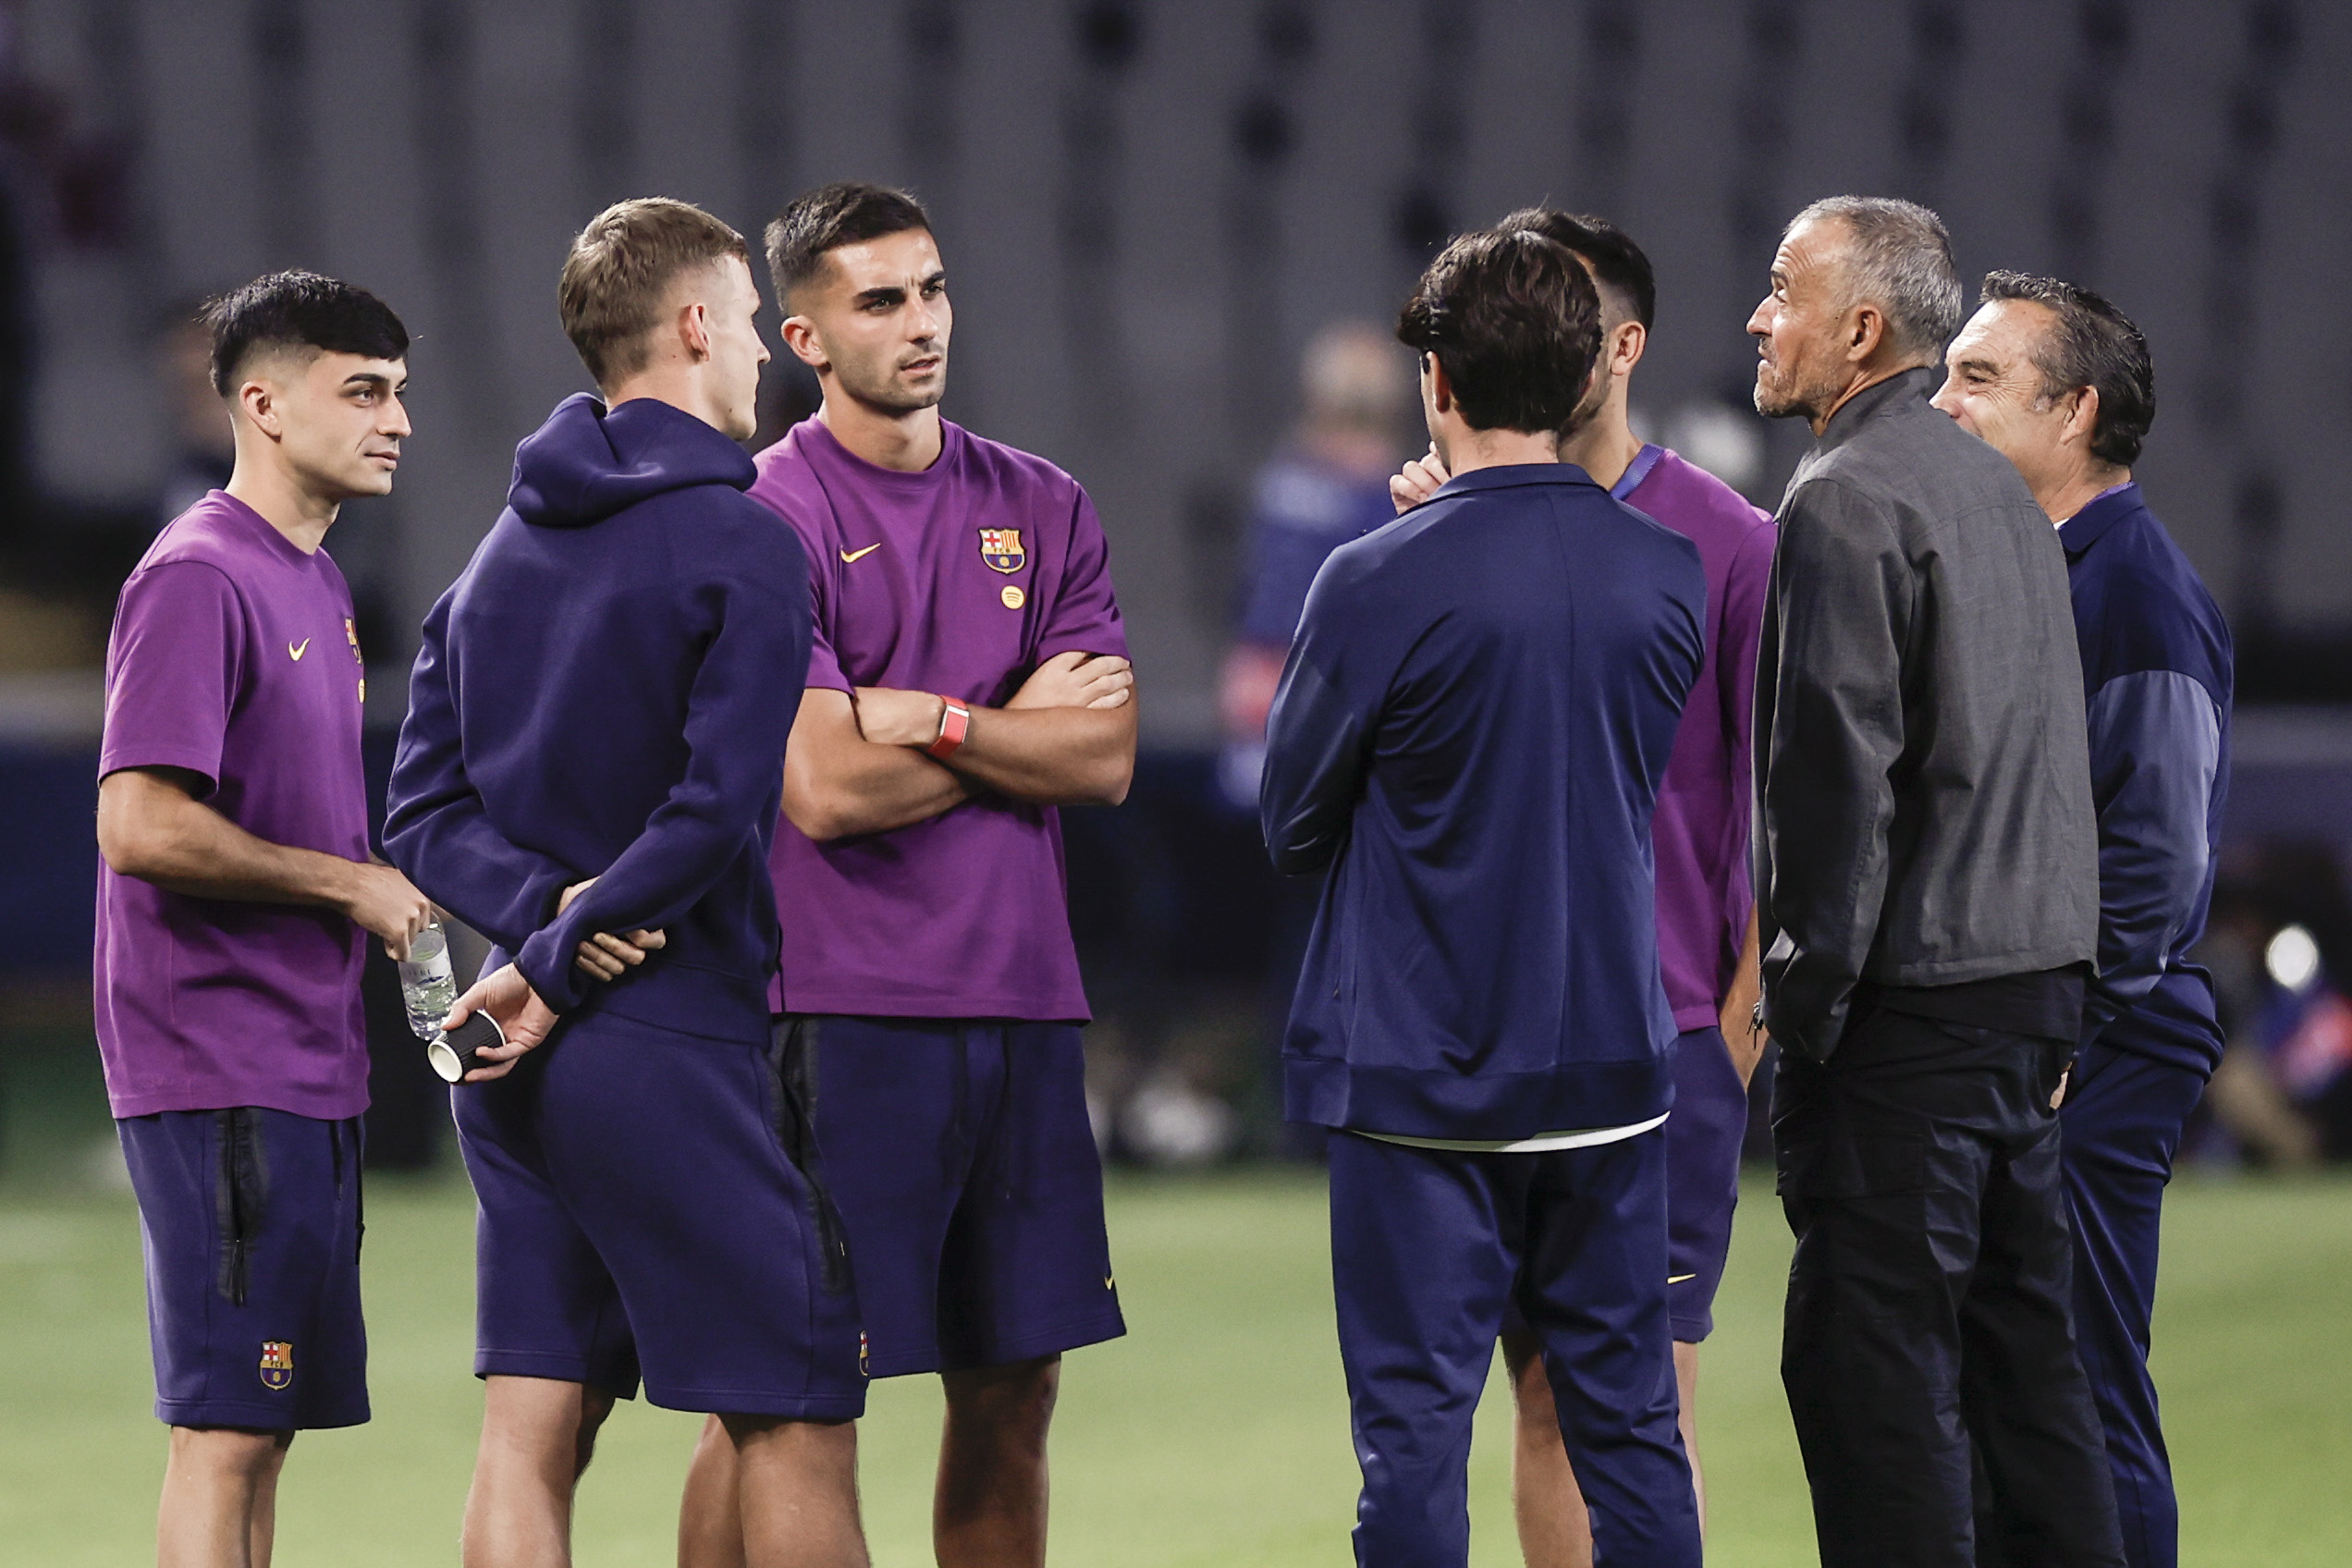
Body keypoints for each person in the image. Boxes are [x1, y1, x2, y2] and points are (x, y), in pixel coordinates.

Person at [383, 199, 868, 1568]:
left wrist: (538, 914)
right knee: (798, 1402)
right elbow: (714, 810)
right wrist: (566, 948)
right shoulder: (747, 540)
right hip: (662, 1030)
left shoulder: (492, 563)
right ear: (698, 324)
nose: (768, 359)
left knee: (534, 1425)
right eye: (751, 326)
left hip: (514, 1067)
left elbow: (418, 808)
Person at [686, 181, 1135, 1568]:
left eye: (932, 288)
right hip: (842, 1007)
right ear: (807, 339)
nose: (923, 323)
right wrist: (1016, 722)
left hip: (1021, 1005)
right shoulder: (767, 514)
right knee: (789, 1398)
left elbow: (1107, 758)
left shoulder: (1042, 501)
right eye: (881, 301)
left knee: (1015, 1385)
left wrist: (929, 714)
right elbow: (824, 788)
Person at [1266, 225, 1706, 1568]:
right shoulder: (1666, 570)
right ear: (1587, 376)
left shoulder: (1375, 578)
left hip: (1419, 1079)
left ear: (1436, 382)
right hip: (1613, 1076)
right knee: (1629, 1429)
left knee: (1413, 1439)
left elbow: (1292, 817)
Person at [1391, 208, 1774, 1564]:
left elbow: (1786, 808)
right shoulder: (1438, 533)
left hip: (1661, 1037)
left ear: (1617, 344)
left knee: (1632, 1408)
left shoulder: (1729, 544)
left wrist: (1732, 1035)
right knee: (1534, 1404)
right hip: (1482, 1039)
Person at [1745, 195, 2123, 1568]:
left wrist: (1801, 999)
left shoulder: (1849, 497)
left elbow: (1835, 782)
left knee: (1874, 1390)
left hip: (1911, 1015)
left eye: (1783, 289)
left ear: (1856, 329)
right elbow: (2042, 759)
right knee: (2029, 1394)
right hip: (2026, 1002)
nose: (1758, 315)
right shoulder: (1998, 493)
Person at [92, 271, 434, 1568]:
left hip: (303, 1055)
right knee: (225, 1432)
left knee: (264, 1422)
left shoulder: (318, 582)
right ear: (262, 403)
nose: (394, 418)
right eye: (360, 391)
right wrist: (350, 886)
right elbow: (139, 825)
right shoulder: (198, 575)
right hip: (217, 1055)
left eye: (399, 391)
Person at [1931, 274, 2231, 1568]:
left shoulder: (2134, 595)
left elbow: (2154, 863)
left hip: (2090, 1047)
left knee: (2076, 1386)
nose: (1941, 402)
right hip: (2041, 1041)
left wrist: (2060, 1037)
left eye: (1979, 379)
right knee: (2012, 1394)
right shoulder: (2033, 570)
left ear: (2077, 411)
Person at [1218, 320, 1415, 804]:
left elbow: (1249, 592)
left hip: (1262, 676)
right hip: (1329, 693)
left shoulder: (1281, 478)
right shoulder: (1388, 495)